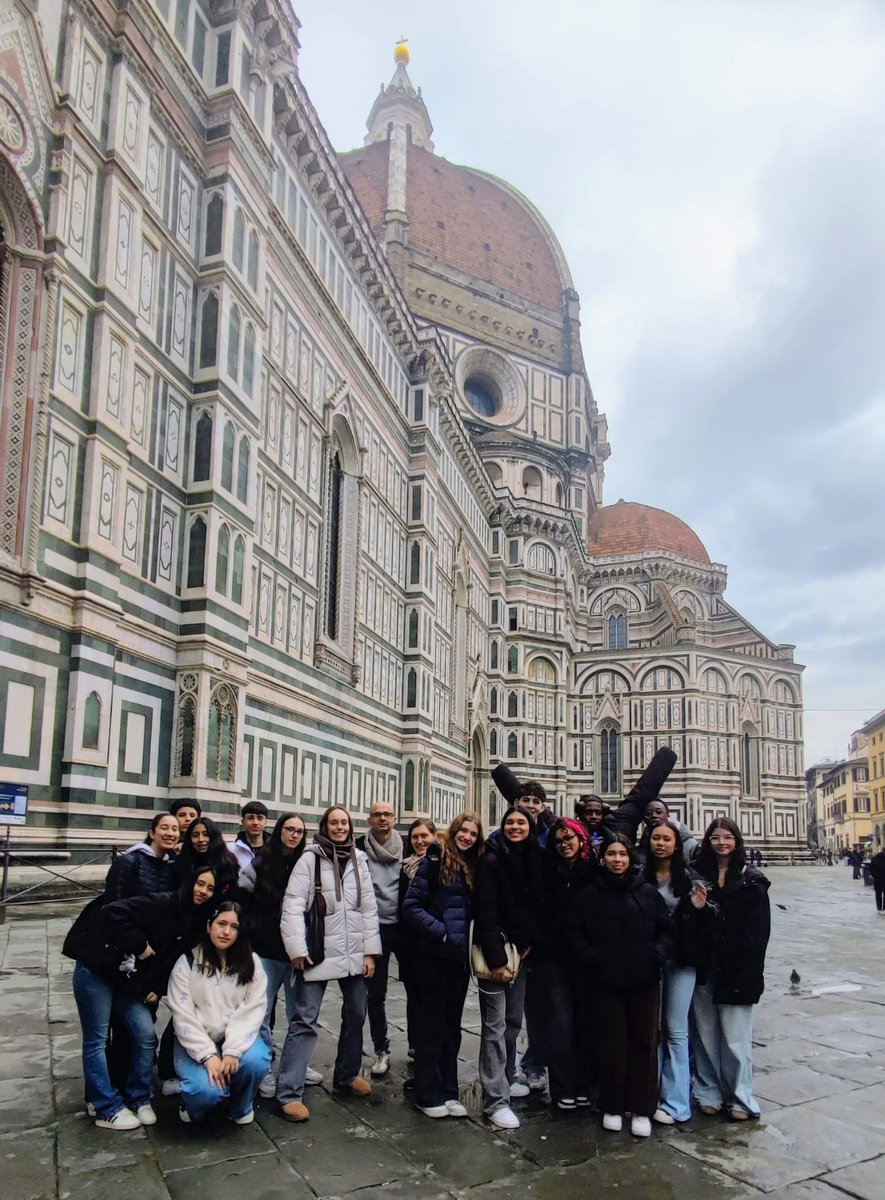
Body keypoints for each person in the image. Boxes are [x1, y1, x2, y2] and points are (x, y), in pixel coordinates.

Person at [63, 864, 218, 1130]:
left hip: (127, 981)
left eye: (210, 888)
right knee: (97, 1040)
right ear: (189, 882)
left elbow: (170, 957)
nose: (203, 891)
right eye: (200, 883)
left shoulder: (192, 920)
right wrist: (140, 944)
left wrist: (157, 988)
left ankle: (139, 1096)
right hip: (98, 968)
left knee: (145, 1034)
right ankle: (105, 1107)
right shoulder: (162, 901)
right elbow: (112, 912)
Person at [276, 805, 381, 1122]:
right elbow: (292, 906)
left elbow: (369, 909)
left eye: (344, 823)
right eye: (333, 823)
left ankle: (347, 1074)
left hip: (352, 951)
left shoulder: (359, 859)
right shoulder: (310, 858)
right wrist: (296, 948)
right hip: (318, 950)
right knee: (305, 1019)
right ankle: (289, 1091)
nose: (339, 827)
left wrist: (369, 952)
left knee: (356, 1013)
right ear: (324, 826)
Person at [565, 835, 674, 1137]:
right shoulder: (589, 895)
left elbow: (666, 930)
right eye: (611, 854)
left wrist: (657, 955)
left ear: (630, 858)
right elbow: (574, 932)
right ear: (602, 858)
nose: (617, 859)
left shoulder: (648, 893)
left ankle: (641, 1108)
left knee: (644, 1041)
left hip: (644, 980)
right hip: (606, 981)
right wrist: (593, 960)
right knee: (612, 1043)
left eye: (622, 854)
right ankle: (612, 1106)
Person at [402, 812, 484, 1117]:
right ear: (453, 831)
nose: (467, 837)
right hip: (434, 957)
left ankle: (449, 1091)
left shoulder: (473, 866)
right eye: (463, 831)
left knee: (452, 1027)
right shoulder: (434, 862)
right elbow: (411, 906)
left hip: (458, 961)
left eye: (473, 834)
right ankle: (427, 1093)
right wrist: (442, 933)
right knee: (431, 1027)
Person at [236, 812, 323, 1097]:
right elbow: (242, 900)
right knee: (261, 1012)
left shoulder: (308, 863)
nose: (294, 835)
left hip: (297, 953)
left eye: (299, 831)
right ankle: (266, 1067)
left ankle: (294, 1065)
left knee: (298, 1012)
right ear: (280, 831)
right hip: (266, 950)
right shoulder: (260, 863)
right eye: (289, 829)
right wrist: (249, 938)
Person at [690, 817, 770, 1121]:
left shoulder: (751, 880)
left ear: (736, 841)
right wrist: (695, 909)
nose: (721, 842)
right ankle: (709, 1091)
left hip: (736, 969)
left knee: (736, 1038)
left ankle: (740, 1097)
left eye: (727, 837)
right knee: (706, 1033)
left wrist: (748, 971)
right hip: (705, 967)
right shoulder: (700, 877)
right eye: (715, 837)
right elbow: (690, 922)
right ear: (707, 841)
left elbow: (758, 933)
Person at [473, 804, 544, 1130]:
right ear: (502, 826)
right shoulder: (491, 859)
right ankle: (495, 1100)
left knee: (513, 1023)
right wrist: (498, 960)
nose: (516, 827)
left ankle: (505, 1078)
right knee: (495, 1027)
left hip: (522, 956)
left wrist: (529, 944)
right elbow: (485, 912)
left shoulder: (533, 859)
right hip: (497, 959)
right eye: (510, 822)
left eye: (522, 822)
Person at [167, 902, 270, 1124]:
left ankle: (240, 1107)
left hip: (234, 1037)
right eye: (221, 924)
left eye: (234, 927)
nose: (226, 932)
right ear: (208, 926)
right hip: (197, 1039)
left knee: (256, 1061)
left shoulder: (252, 963)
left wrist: (233, 1051)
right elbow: (183, 1015)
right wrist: (207, 1055)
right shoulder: (188, 963)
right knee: (205, 1091)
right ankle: (195, 1104)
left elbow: (252, 1010)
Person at [642, 822, 709, 1124]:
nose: (661, 843)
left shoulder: (691, 880)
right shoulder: (639, 876)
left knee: (676, 1030)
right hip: (649, 961)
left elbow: (704, 926)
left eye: (666, 839)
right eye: (656, 838)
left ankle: (678, 1102)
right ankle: (649, 1095)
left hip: (681, 961)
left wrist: (698, 910)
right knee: (650, 1030)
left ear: (676, 844)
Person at [535, 818, 596, 1109]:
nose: (564, 844)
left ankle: (585, 1084)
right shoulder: (547, 870)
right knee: (560, 1023)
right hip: (554, 959)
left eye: (569, 838)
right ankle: (561, 1088)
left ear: (581, 839)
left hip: (586, 959)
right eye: (558, 840)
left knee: (586, 1022)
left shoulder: (594, 872)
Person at [356, 800, 404, 1077]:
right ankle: (381, 1049)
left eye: (387, 814)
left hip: (404, 928)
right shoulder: (359, 849)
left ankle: (417, 1047)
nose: (382, 818)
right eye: (377, 814)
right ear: (370, 819)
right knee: (375, 994)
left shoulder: (407, 846)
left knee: (417, 991)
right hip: (374, 929)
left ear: (394, 818)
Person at [398, 818, 438, 1059]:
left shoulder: (441, 865)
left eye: (424, 836)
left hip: (433, 944)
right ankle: (416, 1045)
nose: (420, 841)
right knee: (413, 998)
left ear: (434, 837)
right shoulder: (404, 867)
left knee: (430, 999)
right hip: (410, 945)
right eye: (415, 837)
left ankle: (431, 1047)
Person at [106, 813, 179, 901]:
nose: (170, 833)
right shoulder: (129, 861)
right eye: (164, 828)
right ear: (152, 834)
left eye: (175, 829)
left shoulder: (171, 865)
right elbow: (113, 900)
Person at [175, 817, 240, 896]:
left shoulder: (227, 862)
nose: (201, 839)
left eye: (206, 835)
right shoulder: (181, 861)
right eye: (195, 835)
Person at [635, 798, 698, 868]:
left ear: (668, 815)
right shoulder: (641, 849)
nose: (653, 816)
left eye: (659, 812)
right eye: (648, 814)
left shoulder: (690, 845)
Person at [230, 800, 270, 870]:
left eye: (260, 818)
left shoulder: (275, 851)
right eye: (250, 818)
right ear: (243, 822)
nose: (255, 822)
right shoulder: (230, 850)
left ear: (265, 822)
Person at [869, 847, 885, 912]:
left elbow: (871, 869)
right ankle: (884, 908)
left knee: (878, 894)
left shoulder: (874, 858)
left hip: (877, 879)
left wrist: (874, 876)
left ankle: (879, 907)